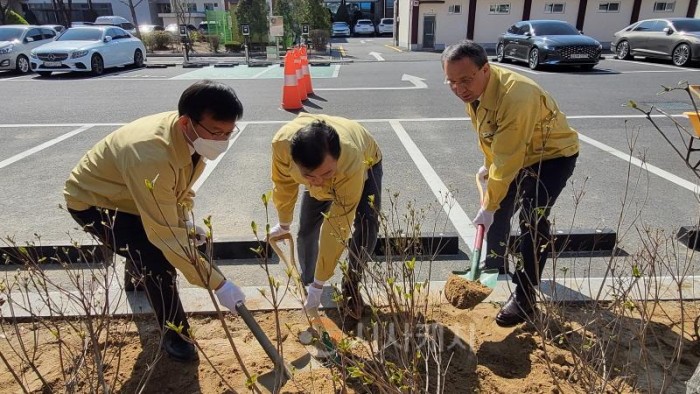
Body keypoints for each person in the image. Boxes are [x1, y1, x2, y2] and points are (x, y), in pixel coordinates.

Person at [64, 80, 247, 362]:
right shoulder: (152, 154)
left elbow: (177, 191)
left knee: (146, 242)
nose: (221, 140)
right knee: (156, 259)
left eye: (228, 133)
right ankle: (176, 335)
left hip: (128, 196)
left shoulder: (191, 136)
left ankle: (136, 279)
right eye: (216, 132)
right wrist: (218, 284)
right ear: (187, 122)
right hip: (94, 201)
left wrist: (182, 222)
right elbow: (163, 233)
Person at [442, 40, 579, 327]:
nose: (459, 89)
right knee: (499, 208)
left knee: (531, 218)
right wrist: (488, 162)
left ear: (486, 70)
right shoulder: (474, 94)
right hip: (516, 152)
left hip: (551, 156)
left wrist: (491, 195)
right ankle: (493, 266)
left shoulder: (517, 95)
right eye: (451, 82)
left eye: (465, 80)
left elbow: (509, 159)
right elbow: (492, 138)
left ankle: (526, 298)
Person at [268, 114, 382, 319]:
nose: (319, 182)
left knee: (367, 223)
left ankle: (351, 284)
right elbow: (283, 182)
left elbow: (338, 224)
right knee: (306, 230)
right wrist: (284, 222)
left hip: (366, 161)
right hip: (320, 164)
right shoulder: (282, 146)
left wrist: (322, 282)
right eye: (310, 176)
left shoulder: (351, 161)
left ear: (336, 161)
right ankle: (307, 281)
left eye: (326, 174)